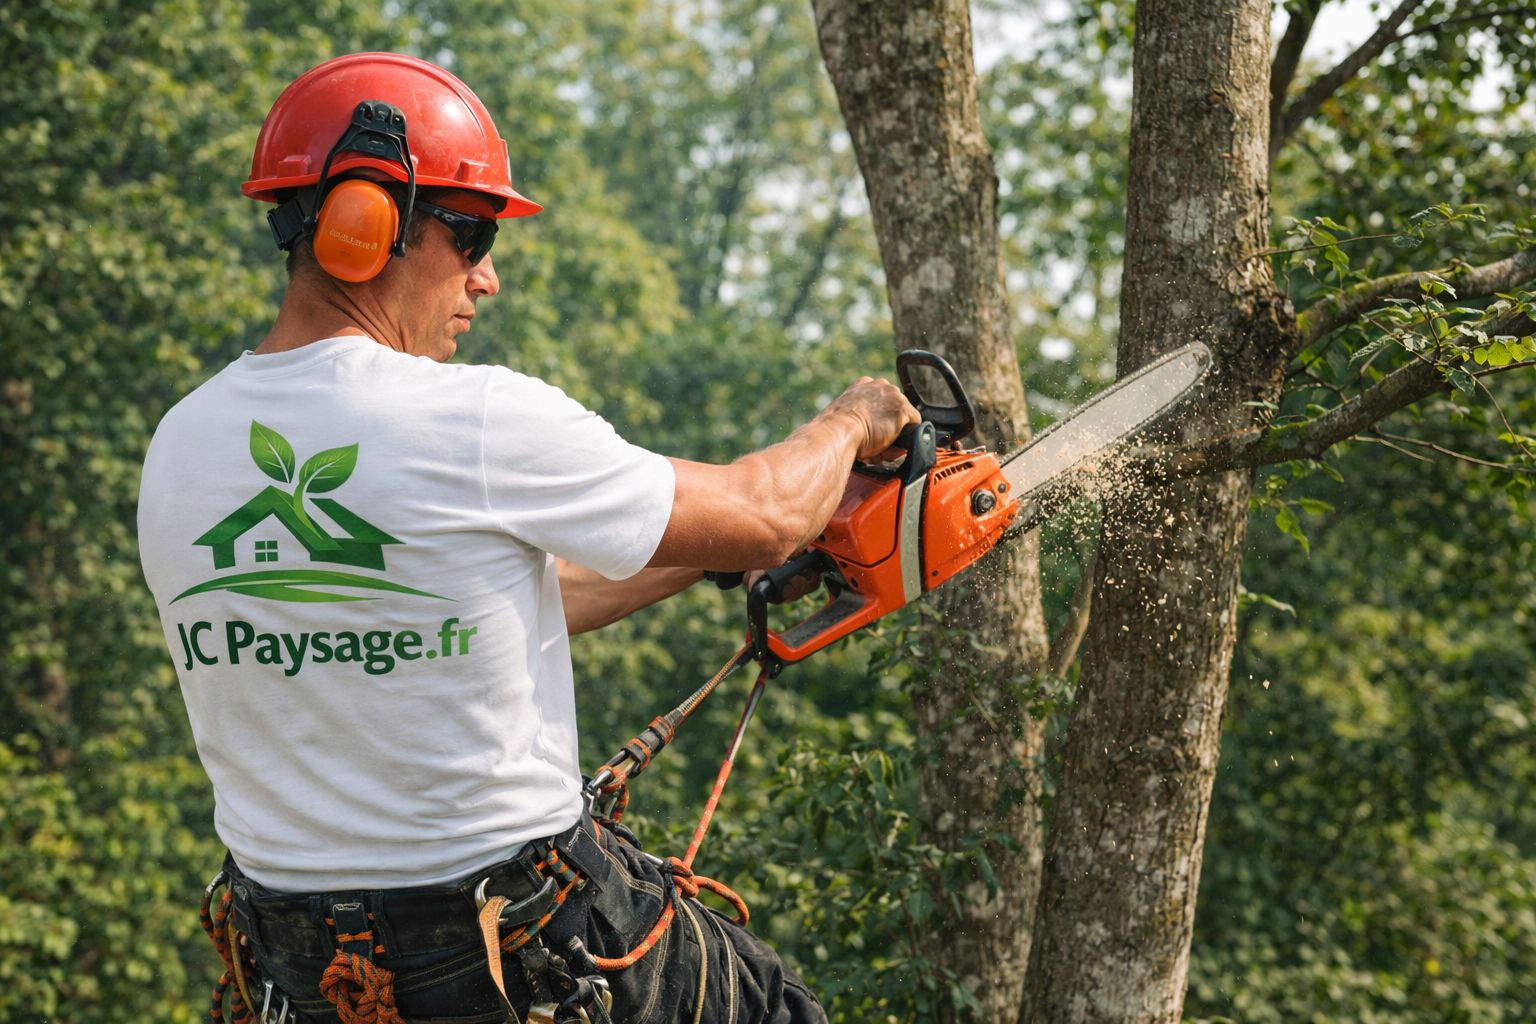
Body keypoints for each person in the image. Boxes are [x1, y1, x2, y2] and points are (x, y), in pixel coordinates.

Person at [137, 52, 917, 1024]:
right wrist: (852, 422)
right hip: (512, 935)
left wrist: (700, 559)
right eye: (470, 233)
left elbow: (490, 597)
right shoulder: (472, 417)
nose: (488, 275)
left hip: (299, 962)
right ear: (363, 223)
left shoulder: (181, 444)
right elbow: (769, 511)